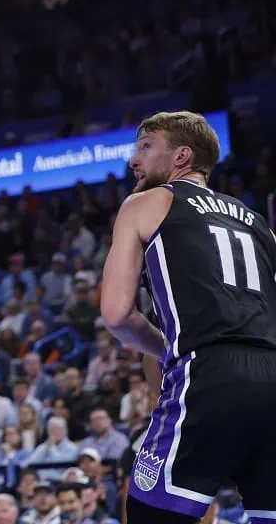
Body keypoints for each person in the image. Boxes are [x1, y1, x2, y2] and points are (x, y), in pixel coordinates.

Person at [101, 111, 276, 524]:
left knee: (150, 514)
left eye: (146, 147)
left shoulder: (146, 203)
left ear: (182, 156)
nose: (134, 160)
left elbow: (116, 314)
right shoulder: (260, 224)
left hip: (209, 370)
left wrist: (165, 350)